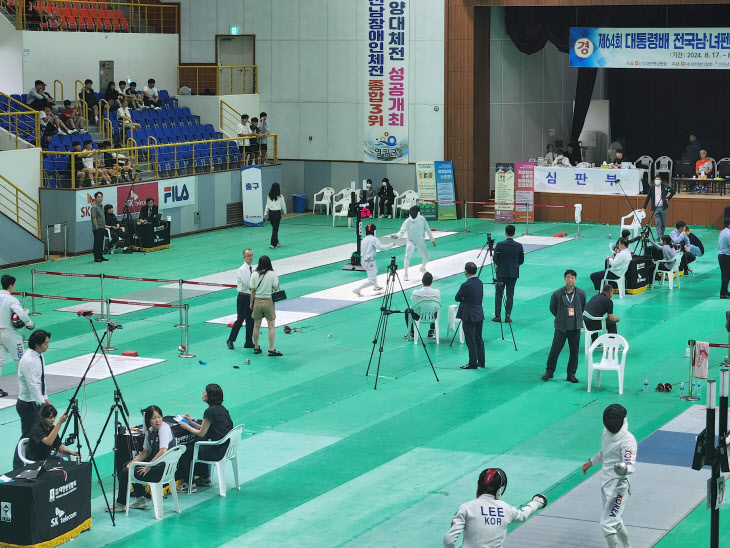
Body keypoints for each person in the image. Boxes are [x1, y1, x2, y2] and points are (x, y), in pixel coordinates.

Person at [443, 467, 547, 548]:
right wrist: (537, 502)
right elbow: (523, 514)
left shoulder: (466, 508)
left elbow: (448, 539)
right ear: (501, 489)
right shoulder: (507, 509)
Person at [581, 404, 637, 548]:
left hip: (619, 487)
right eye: (609, 418)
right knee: (616, 522)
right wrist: (591, 462)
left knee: (606, 524)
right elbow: (605, 452)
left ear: (622, 419)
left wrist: (623, 469)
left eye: (614, 418)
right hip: (605, 483)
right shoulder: (606, 432)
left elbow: (630, 465)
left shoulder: (628, 440)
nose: (611, 421)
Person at [105, 405, 176, 513]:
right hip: (157, 465)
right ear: (148, 420)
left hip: (162, 469)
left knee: (126, 472)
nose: (158, 420)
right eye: (154, 418)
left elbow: (163, 451)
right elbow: (145, 452)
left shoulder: (164, 429)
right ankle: (140, 499)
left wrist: (148, 466)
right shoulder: (150, 431)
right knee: (128, 466)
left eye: (159, 417)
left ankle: (122, 503)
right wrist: (132, 463)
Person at [175, 383, 234, 493]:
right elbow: (205, 428)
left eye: (205, 392)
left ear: (210, 395)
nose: (203, 393)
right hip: (226, 448)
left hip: (217, 451)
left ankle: (189, 484)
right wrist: (191, 422)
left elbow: (201, 433)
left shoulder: (209, 411)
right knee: (200, 445)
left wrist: (187, 427)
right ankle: (205, 478)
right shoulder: (222, 409)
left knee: (185, 452)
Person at [542, 269, 586, 383]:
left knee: (574, 352)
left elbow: (582, 307)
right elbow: (553, 308)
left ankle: (571, 374)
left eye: (572, 278)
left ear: (575, 279)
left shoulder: (580, 293)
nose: (570, 279)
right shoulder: (557, 294)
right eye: (568, 277)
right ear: (564, 279)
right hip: (561, 328)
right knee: (555, 350)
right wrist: (560, 317)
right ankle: (549, 372)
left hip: (575, 328)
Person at [14, 329, 49, 469]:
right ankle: (17, 465)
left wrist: (45, 398)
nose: (47, 345)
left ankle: (32, 461)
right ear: (37, 345)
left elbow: (41, 381)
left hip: (35, 401)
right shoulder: (28, 361)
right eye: (45, 343)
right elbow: (32, 384)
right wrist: (41, 403)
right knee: (28, 435)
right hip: (27, 404)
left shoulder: (39, 356)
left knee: (36, 434)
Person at [1, 275, 35, 399]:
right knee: (20, 360)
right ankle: (25, 390)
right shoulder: (11, 299)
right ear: (11, 286)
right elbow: (20, 313)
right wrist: (29, 324)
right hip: (9, 332)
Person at [249, 255, 282, 357]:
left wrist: (251, 303)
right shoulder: (272, 274)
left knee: (256, 326)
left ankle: (256, 347)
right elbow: (276, 288)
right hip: (268, 301)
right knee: (271, 327)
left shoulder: (254, 274)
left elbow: (252, 290)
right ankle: (271, 349)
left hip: (258, 301)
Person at [392, 205, 436, 281]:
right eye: (412, 212)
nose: (413, 213)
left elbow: (428, 229)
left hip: (420, 241)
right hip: (410, 241)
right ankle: (406, 274)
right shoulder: (407, 221)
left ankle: (422, 268)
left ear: (418, 212)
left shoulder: (422, 219)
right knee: (407, 256)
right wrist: (397, 236)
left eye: (414, 212)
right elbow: (401, 232)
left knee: (426, 257)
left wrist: (432, 240)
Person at [456, 262, 485, 370]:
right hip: (479, 313)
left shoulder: (466, 285)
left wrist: (464, 298)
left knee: (470, 339)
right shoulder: (479, 282)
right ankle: (481, 361)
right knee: (478, 338)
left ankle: (473, 362)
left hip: (469, 315)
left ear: (466, 271)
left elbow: (457, 297)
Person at [493, 225, 524, 323]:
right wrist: (514, 266)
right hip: (513, 274)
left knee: (499, 294)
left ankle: (497, 316)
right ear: (514, 233)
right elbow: (521, 260)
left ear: (505, 232)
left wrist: (501, 265)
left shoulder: (499, 245)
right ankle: (507, 316)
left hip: (501, 273)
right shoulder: (519, 246)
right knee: (510, 295)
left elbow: (495, 259)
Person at [353, 223, 394, 297]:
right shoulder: (374, 239)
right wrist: (391, 245)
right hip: (370, 262)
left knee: (375, 270)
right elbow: (381, 247)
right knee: (371, 280)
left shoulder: (364, 240)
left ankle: (376, 287)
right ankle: (358, 289)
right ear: (373, 231)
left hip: (363, 261)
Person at [227, 248, 256, 350]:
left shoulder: (254, 268)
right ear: (244, 257)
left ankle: (248, 341)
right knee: (240, 319)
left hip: (251, 296)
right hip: (243, 297)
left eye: (252, 255)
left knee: (251, 320)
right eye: (248, 255)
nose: (251, 257)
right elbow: (249, 284)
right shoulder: (242, 270)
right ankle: (230, 340)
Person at [404, 271, 441, 339]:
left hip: (418, 316)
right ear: (431, 281)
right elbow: (438, 300)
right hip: (432, 316)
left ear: (422, 281)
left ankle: (412, 332)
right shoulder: (437, 292)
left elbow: (413, 299)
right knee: (436, 308)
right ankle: (431, 331)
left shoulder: (416, 292)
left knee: (407, 310)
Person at [264, 183, 286, 249]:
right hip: (277, 214)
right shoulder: (280, 197)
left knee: (274, 228)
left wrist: (265, 213)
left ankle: (276, 241)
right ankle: (273, 244)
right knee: (275, 229)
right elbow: (283, 205)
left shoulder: (269, 196)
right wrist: (285, 212)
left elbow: (267, 205)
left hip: (271, 214)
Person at [91, 191, 108, 263]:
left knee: (101, 242)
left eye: (101, 197)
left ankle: (100, 256)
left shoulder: (102, 206)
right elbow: (93, 217)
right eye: (99, 197)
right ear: (95, 198)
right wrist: (96, 226)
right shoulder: (94, 207)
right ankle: (96, 257)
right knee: (97, 243)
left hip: (102, 227)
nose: (100, 198)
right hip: (97, 228)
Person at [719, 217, 730, 299]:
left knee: (726, 274)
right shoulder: (728, 234)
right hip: (726, 256)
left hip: (722, 255)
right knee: (726, 275)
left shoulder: (723, 231)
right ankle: (723, 293)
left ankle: (725, 291)